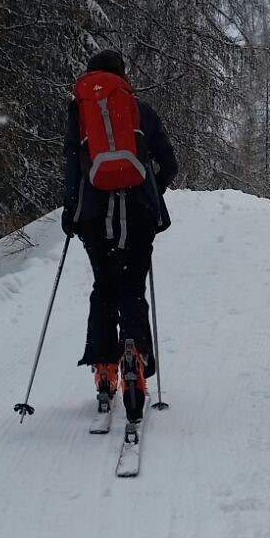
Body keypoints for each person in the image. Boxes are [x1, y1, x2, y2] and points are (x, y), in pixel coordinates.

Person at [62, 49, 178, 422]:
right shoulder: (140, 110)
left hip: (95, 216)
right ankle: (134, 358)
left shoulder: (80, 112)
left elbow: (71, 167)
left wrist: (71, 210)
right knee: (132, 288)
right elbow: (170, 164)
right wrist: (151, 191)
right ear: (123, 76)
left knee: (104, 287)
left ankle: (104, 370)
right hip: (139, 214)